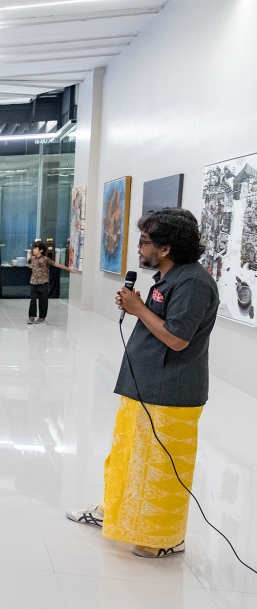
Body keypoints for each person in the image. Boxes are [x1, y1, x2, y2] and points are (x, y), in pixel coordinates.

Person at [67, 208, 218, 559]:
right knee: (128, 458)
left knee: (161, 469)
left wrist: (138, 308)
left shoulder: (193, 283)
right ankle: (114, 513)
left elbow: (177, 339)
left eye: (145, 241)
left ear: (165, 248)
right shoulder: (169, 277)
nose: (139, 247)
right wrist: (138, 306)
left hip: (171, 394)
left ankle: (164, 537)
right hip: (144, 385)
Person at [27, 241, 77, 324]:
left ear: (41, 250)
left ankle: (42, 317)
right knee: (32, 300)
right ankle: (31, 316)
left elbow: (57, 265)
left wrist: (69, 269)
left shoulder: (46, 259)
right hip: (34, 282)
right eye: (34, 248)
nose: (34, 250)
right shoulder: (32, 258)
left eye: (36, 248)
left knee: (43, 301)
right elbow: (30, 266)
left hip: (43, 283)